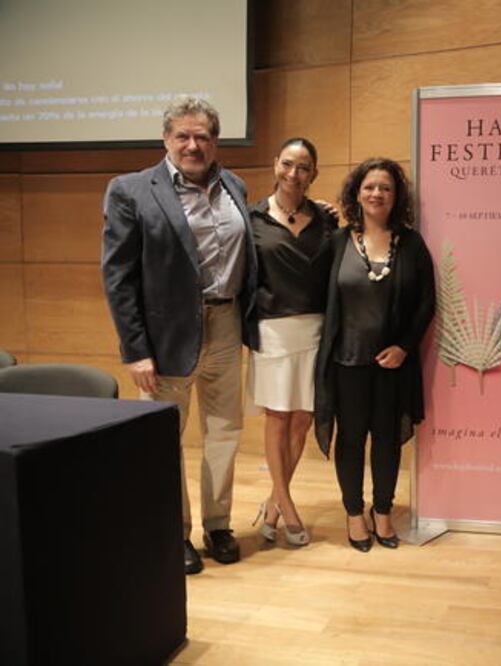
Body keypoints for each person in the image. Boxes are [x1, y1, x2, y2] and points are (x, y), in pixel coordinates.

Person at [102, 96, 257, 574]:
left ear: (215, 141)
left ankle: (218, 524)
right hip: (164, 336)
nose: (193, 145)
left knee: (224, 432)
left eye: (203, 136)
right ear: (166, 139)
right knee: (165, 439)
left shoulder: (234, 184)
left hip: (227, 323)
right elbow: (118, 275)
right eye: (183, 136)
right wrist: (135, 349)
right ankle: (176, 532)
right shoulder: (131, 190)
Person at [313, 158, 435, 552]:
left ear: (396, 196)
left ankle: (383, 512)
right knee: (350, 441)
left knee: (386, 441)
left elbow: (426, 303)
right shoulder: (336, 242)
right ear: (356, 193)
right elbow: (314, 293)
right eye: (369, 187)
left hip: (392, 363)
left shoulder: (411, 243)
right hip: (345, 362)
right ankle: (354, 514)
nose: (376, 194)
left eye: (385, 187)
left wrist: (404, 347)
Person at [245, 137, 336, 547]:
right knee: (278, 417)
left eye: (303, 168)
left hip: (315, 328)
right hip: (273, 331)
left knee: (303, 418)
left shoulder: (326, 220)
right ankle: (288, 505)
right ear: (275, 165)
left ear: (313, 173)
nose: (294, 174)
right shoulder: (252, 219)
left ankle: (273, 502)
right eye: (287, 164)